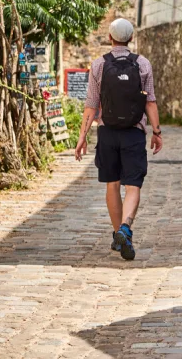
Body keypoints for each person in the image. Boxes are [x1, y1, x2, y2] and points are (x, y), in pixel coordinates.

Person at [75, 18, 162, 261]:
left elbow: (91, 105)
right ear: (131, 38)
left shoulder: (99, 65)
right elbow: (151, 101)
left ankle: (118, 234)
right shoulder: (143, 64)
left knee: (112, 185)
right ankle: (126, 228)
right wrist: (156, 132)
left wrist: (82, 137)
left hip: (107, 132)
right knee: (133, 185)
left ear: (110, 38)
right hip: (134, 133)